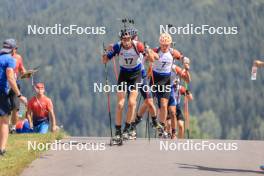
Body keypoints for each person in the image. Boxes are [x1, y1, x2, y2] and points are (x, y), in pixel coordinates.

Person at [102, 28, 155, 142]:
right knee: (120, 104)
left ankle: (127, 129)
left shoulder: (138, 46)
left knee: (131, 103)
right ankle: (117, 131)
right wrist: (105, 52)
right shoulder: (118, 46)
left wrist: (148, 51)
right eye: (124, 39)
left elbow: (150, 59)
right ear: (121, 39)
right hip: (124, 75)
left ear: (131, 38)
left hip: (136, 76)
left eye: (128, 39)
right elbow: (105, 60)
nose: (126, 41)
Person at [150, 33, 190, 137]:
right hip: (156, 79)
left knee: (167, 108)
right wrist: (148, 57)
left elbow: (182, 57)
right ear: (160, 44)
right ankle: (153, 123)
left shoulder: (172, 52)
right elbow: (147, 56)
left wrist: (185, 62)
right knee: (150, 103)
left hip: (166, 82)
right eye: (163, 45)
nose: (165, 47)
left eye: (167, 45)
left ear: (170, 44)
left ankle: (166, 128)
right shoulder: (156, 50)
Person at [0, 39, 27, 156]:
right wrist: (20, 95)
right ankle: (2, 150)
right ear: (13, 49)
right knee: (5, 121)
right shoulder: (10, 60)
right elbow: (11, 78)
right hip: (2, 92)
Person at [7, 39, 27, 133]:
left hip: (15, 85)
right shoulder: (2, 57)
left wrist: (26, 73)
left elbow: (22, 69)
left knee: (16, 107)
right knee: (5, 108)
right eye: (12, 48)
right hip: (4, 85)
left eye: (15, 48)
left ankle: (13, 128)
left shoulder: (18, 57)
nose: (14, 50)